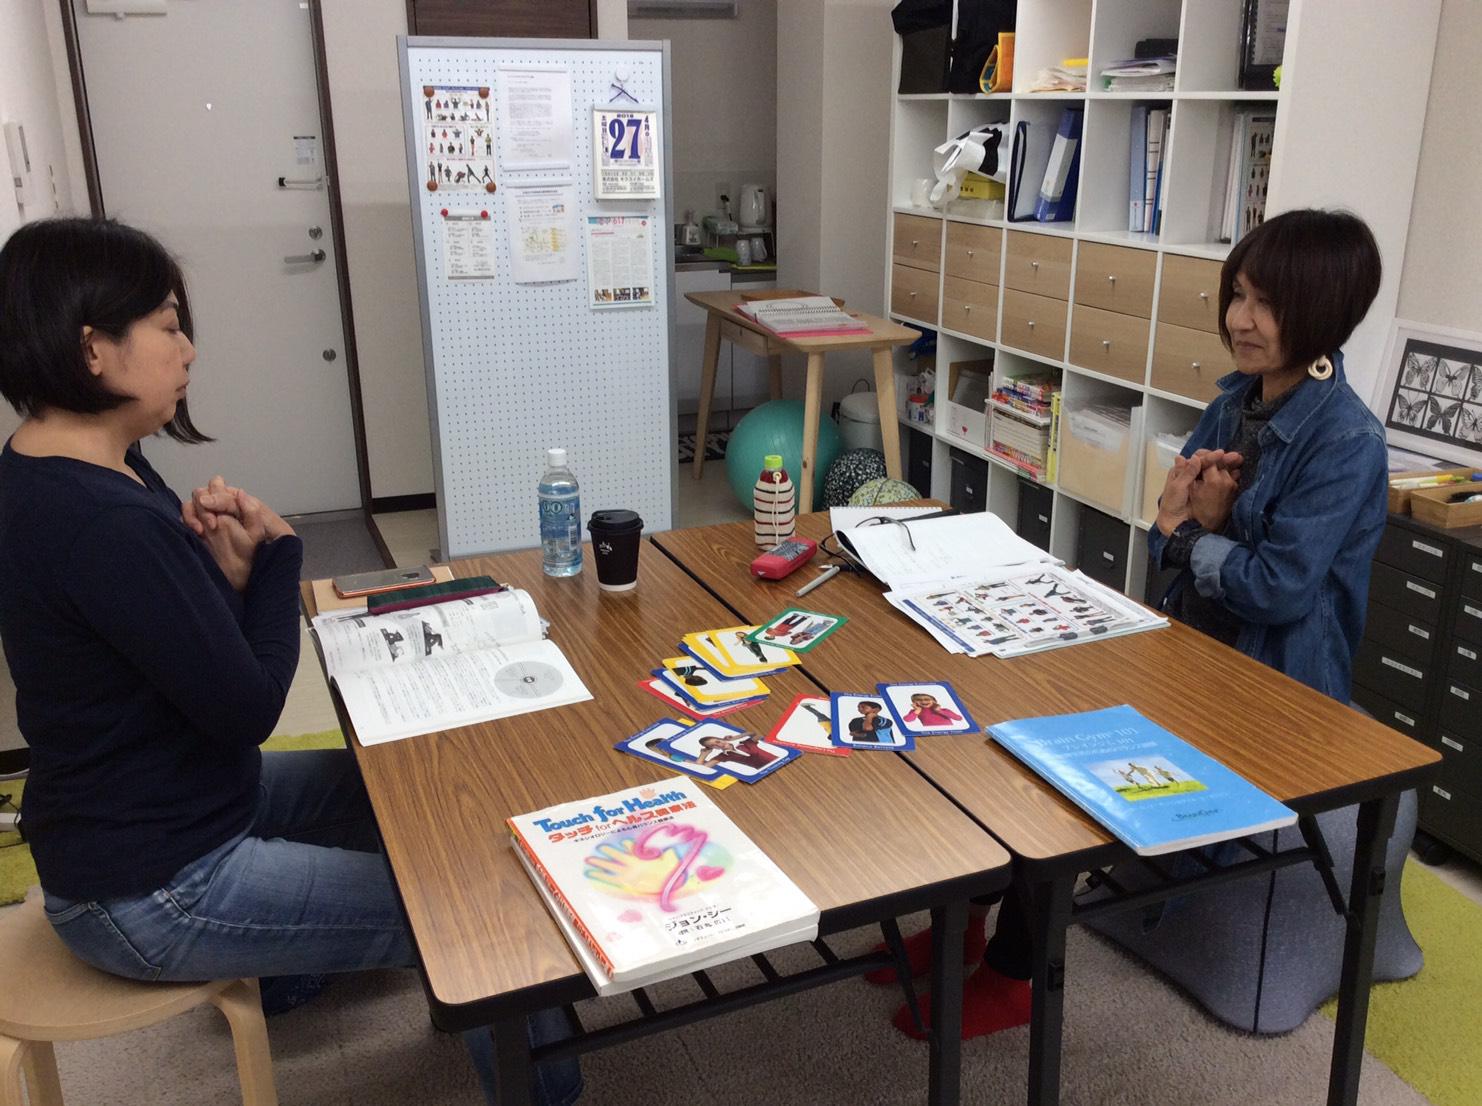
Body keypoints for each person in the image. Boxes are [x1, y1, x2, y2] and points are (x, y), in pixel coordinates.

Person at [0, 218, 579, 1104]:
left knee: (413, 786)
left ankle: (293, 968)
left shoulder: (64, 469)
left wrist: (224, 578)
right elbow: (247, 705)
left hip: (171, 805)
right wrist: (277, 560)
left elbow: (180, 651)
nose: (189, 349)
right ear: (92, 349)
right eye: (168, 326)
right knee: (482, 913)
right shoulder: (103, 522)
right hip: (154, 885)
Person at [876, 208, 1405, 1043]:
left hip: (1278, 690)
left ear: (1323, 313)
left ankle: (1012, 976)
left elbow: (1275, 590)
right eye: (1237, 295)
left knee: (1063, 769)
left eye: (1266, 304)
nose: (1240, 320)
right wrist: (1188, 534)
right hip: (1191, 650)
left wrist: (1195, 535)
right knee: (1006, 719)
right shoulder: (1233, 403)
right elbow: (1163, 534)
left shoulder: (1347, 442)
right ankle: (962, 924)